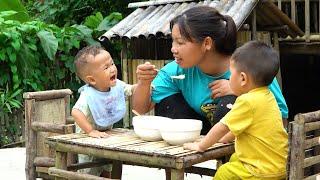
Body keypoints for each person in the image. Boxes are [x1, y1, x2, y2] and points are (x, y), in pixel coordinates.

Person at [132, 6, 288, 134]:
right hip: (201, 136)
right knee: (167, 103)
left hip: (246, 147)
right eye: (173, 42)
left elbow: (280, 118)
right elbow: (140, 110)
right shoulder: (176, 71)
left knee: (230, 103)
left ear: (206, 43)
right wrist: (144, 83)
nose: (173, 49)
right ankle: (178, 164)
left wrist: (240, 90)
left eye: (180, 42)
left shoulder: (249, 67)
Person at [184, 41, 288, 179]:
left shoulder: (247, 101)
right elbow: (239, 127)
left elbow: (222, 126)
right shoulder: (268, 97)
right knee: (234, 158)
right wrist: (224, 139)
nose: (229, 78)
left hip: (260, 170)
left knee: (224, 173)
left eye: (231, 73)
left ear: (243, 78)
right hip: (278, 166)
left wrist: (201, 146)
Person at [71, 45, 135, 177]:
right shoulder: (88, 95)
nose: (112, 68)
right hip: (87, 140)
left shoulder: (116, 86)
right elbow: (76, 113)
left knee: (107, 166)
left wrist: (143, 85)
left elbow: (129, 89)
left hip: (105, 137)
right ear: (92, 80)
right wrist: (90, 131)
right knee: (89, 171)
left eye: (111, 63)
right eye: (106, 67)